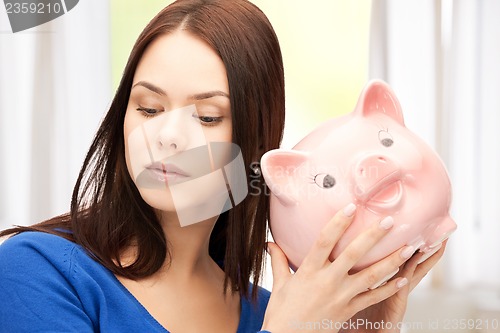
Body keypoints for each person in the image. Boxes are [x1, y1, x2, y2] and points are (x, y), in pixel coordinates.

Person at [0, 0, 446, 332]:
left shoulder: (274, 312)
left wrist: (359, 327)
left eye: (207, 116)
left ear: (257, 142)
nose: (167, 135)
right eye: (149, 108)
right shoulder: (38, 272)